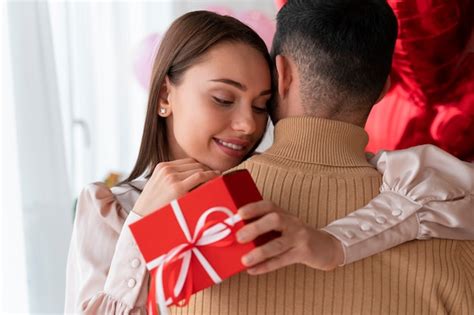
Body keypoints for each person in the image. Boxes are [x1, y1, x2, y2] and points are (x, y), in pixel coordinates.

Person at [65, 9, 473, 315]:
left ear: (281, 79)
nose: (245, 125)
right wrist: (142, 229)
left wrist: (335, 242)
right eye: (223, 99)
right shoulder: (113, 208)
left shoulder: (410, 188)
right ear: (164, 95)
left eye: (262, 105)